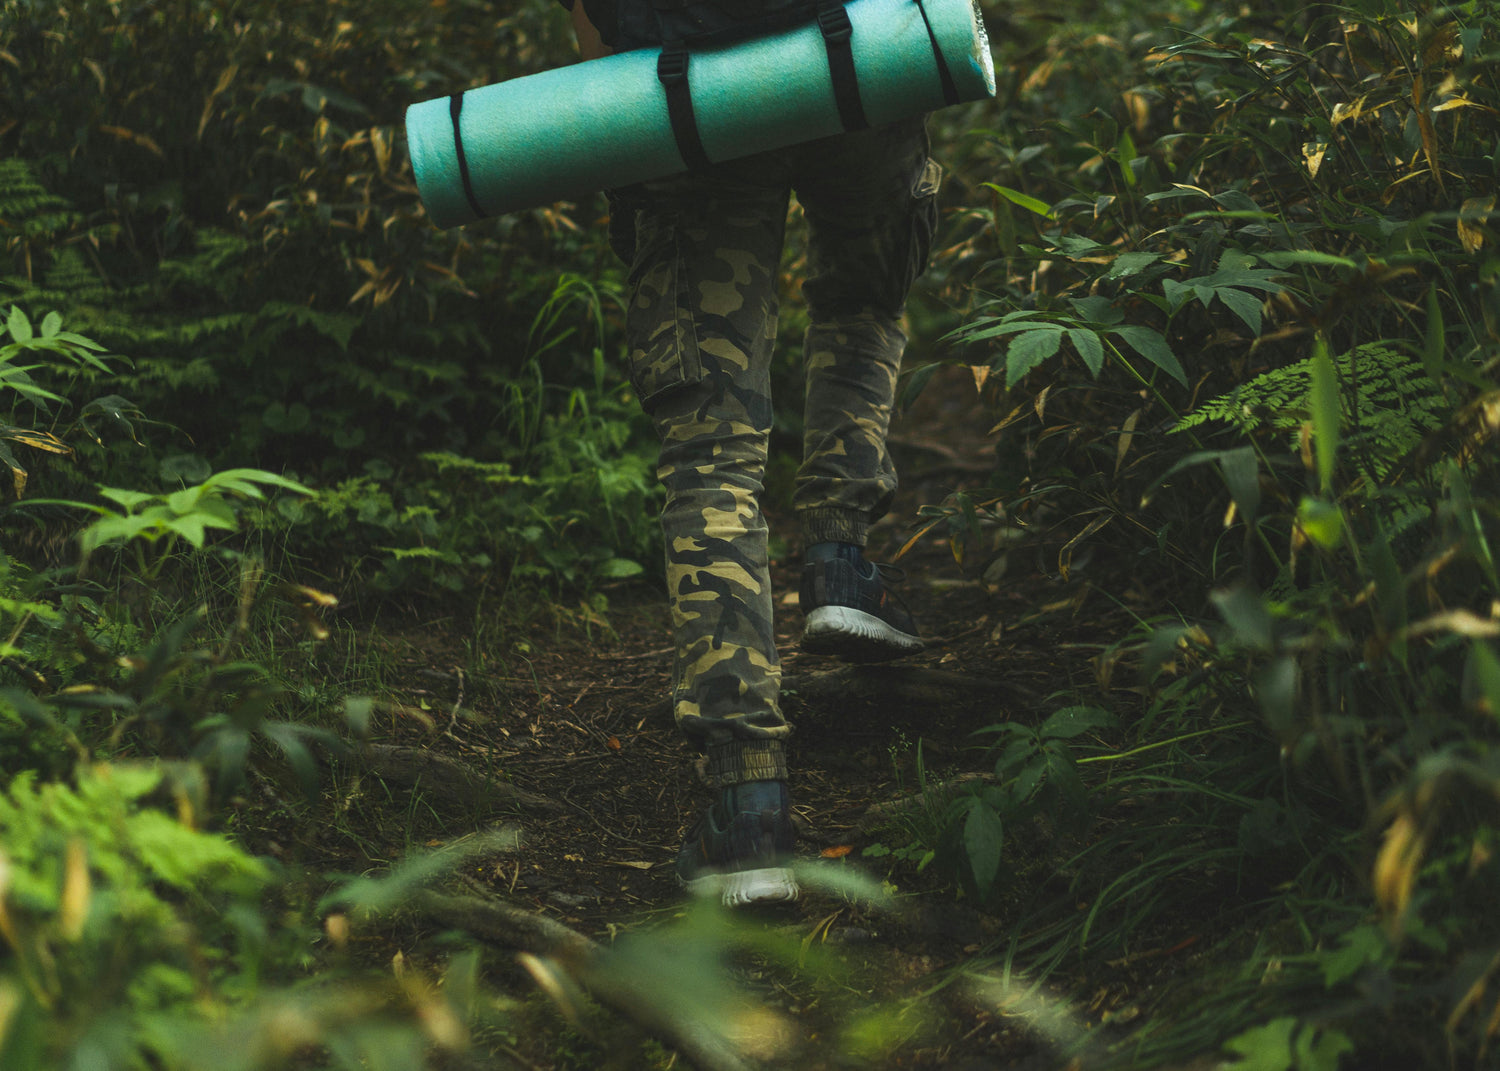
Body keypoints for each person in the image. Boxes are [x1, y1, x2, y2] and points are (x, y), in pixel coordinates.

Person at [557, 0, 939, 906]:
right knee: (862, 297)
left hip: (687, 93)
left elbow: (591, 25)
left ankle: (747, 803)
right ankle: (839, 559)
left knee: (713, 446)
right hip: (853, 63)